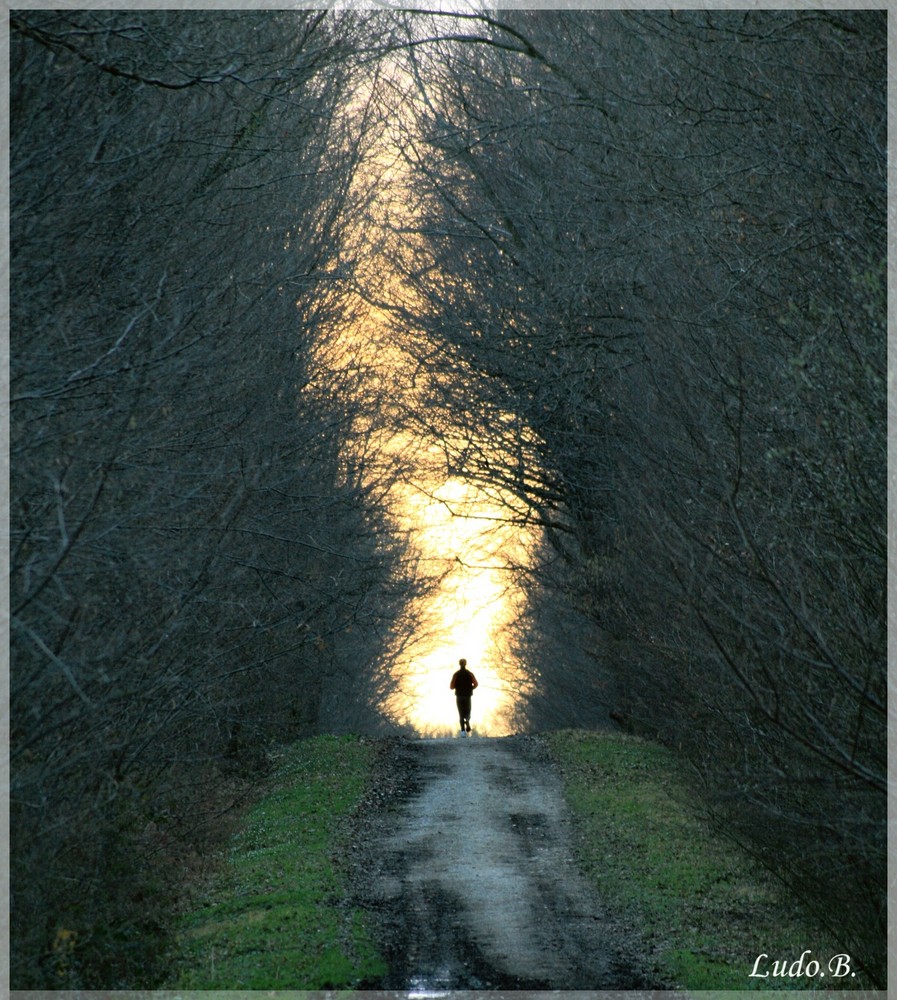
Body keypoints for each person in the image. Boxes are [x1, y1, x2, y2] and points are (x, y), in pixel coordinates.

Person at [450, 657, 478, 734]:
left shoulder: (456, 674)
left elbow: (451, 687)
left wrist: (457, 686)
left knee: (461, 713)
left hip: (459, 696)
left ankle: (462, 731)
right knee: (468, 712)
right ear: (466, 664)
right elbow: (476, 684)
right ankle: (467, 721)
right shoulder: (470, 674)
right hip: (468, 696)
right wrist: (471, 688)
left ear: (459, 664)